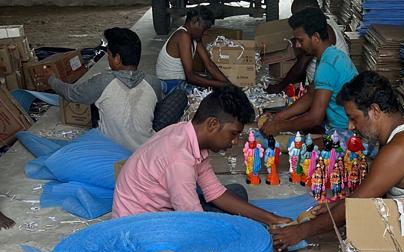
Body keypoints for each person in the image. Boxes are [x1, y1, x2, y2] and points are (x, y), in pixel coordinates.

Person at [272, 71, 404, 252]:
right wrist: (337, 205)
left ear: (374, 111)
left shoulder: (400, 148)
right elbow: (368, 194)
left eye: (354, 118)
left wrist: (300, 232)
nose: (350, 126)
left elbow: (357, 206)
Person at [113, 84, 285, 227]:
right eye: (233, 134)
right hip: (142, 227)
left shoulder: (186, 133)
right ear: (212, 124)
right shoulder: (179, 159)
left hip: (165, 210)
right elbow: (195, 222)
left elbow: (214, 191)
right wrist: (258, 235)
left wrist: (272, 218)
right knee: (237, 229)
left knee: (237, 193)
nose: (235, 142)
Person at [48, 28, 187, 152]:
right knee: (178, 96)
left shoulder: (102, 81)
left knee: (95, 100)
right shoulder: (153, 83)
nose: (108, 58)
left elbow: (71, 93)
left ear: (117, 59)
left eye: (109, 55)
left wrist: (51, 79)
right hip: (144, 150)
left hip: (110, 150)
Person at [260, 7, 357, 139]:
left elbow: (315, 118)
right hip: (337, 127)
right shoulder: (331, 55)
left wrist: (278, 126)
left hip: (346, 132)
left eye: (300, 40)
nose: (297, 45)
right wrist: (279, 117)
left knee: (289, 144)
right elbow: (311, 95)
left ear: (315, 37)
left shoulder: (327, 66)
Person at [267, 0, 349, 94]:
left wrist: (280, 86)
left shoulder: (327, 65)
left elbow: (301, 65)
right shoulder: (322, 24)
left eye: (298, 16)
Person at [155, 6, 230, 90]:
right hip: (169, 83)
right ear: (194, 21)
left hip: (180, 80)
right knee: (213, 92)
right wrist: (223, 85)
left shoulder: (195, 36)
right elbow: (190, 77)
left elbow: (209, 64)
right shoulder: (183, 36)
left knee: (214, 83)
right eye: (204, 28)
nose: (205, 33)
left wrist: (229, 85)